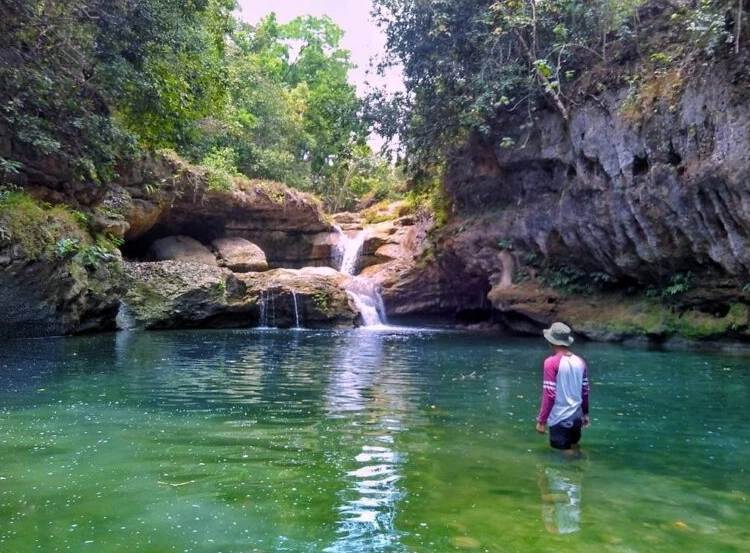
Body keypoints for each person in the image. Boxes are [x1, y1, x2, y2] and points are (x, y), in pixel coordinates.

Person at [535, 322, 590, 452]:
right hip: (577, 417)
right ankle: (580, 468)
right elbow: (585, 391)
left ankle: (574, 467)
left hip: (560, 419)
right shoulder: (580, 361)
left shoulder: (551, 363)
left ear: (551, 341)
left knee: (562, 456)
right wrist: (586, 414)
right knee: (573, 447)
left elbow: (549, 394)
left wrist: (541, 421)